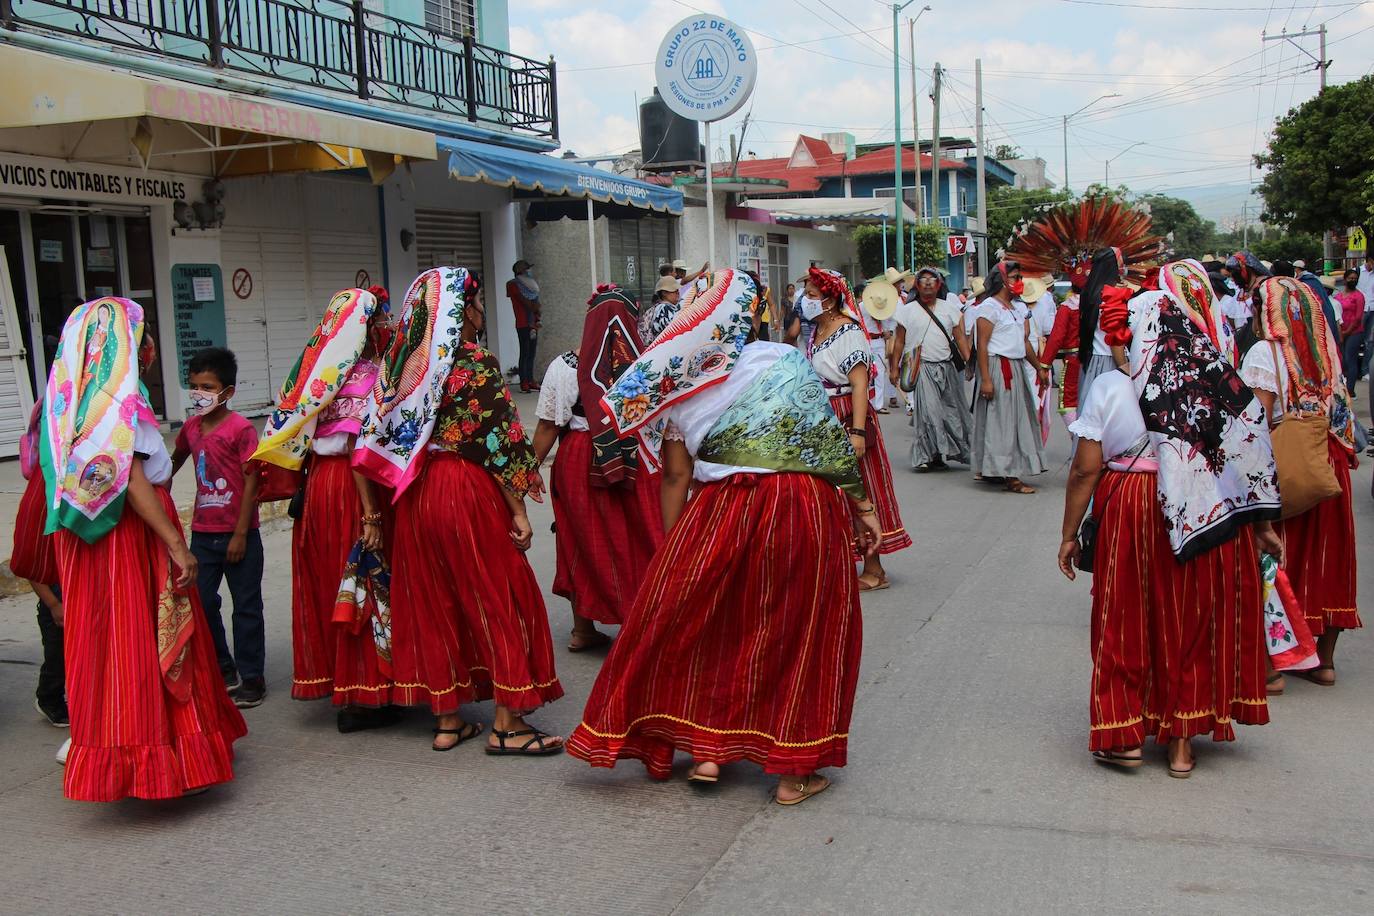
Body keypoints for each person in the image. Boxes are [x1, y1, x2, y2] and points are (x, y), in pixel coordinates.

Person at [566, 269, 880, 805]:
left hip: (721, 509)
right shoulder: (783, 361)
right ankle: (792, 772)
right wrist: (864, 508)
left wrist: (674, 549)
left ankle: (709, 750)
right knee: (798, 630)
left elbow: (674, 476)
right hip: (800, 505)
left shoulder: (681, 378)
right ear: (753, 313)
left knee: (718, 624)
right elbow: (825, 448)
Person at [1057, 262, 1282, 777]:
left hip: (1132, 503)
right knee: (1189, 619)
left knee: (1125, 619)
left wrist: (1069, 535)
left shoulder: (1112, 388)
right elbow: (1250, 455)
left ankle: (1125, 735)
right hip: (1202, 508)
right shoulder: (1213, 379)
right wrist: (1263, 525)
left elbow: (1085, 469)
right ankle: (1182, 742)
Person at [40, 297, 245, 800]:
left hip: (92, 544)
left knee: (111, 644)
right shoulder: (117, 401)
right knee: (143, 637)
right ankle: (159, 757)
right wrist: (176, 543)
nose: (149, 346)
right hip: (129, 538)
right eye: (143, 335)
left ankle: (118, 749)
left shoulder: (70, 401)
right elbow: (130, 479)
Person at [356, 267, 564, 755]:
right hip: (462, 487)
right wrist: (518, 509)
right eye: (476, 303)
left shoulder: (399, 365)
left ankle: (448, 719)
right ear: (461, 310)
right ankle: (508, 723)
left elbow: (370, 438)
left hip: (413, 494)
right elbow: (499, 441)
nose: (480, 312)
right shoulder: (474, 362)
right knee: (498, 596)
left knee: (433, 600)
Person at [253, 287, 398, 732]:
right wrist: (371, 513)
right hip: (353, 487)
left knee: (330, 579)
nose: (387, 328)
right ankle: (364, 692)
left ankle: (343, 685)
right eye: (382, 321)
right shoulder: (365, 376)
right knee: (361, 580)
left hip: (319, 486)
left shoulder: (315, 376)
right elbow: (358, 448)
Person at [1240, 275, 1361, 690]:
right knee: (1328, 555)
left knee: (1275, 555)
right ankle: (1323, 663)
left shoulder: (1264, 352)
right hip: (1329, 464)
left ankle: (1273, 665)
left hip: (1286, 464)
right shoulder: (1326, 349)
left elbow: (1256, 420)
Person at [532, 285, 665, 652]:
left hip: (579, 457)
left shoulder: (564, 366)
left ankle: (582, 628)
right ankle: (646, 625)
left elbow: (547, 426)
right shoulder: (648, 363)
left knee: (580, 538)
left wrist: (526, 472)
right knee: (638, 538)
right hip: (635, 458)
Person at [802, 267, 910, 589]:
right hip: (825, 416)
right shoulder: (818, 331)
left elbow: (859, 384)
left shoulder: (847, 332)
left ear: (830, 300)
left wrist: (858, 431)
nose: (805, 301)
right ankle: (845, 561)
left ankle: (874, 569)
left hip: (847, 415)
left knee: (859, 490)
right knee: (834, 494)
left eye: (811, 295)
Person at [171, 347, 266, 708]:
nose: (199, 394)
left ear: (227, 392)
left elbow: (252, 481)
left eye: (207, 387)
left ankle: (252, 676)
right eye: (194, 386)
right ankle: (222, 665)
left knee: (246, 606)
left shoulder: (241, 430)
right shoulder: (191, 428)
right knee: (203, 602)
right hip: (203, 533)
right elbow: (178, 456)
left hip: (239, 533)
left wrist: (241, 533)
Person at [970, 261, 1049, 493]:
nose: (1019, 282)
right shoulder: (989, 308)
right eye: (1014, 277)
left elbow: (1024, 343)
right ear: (1002, 280)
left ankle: (998, 469)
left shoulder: (1016, 308)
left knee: (1014, 421)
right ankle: (1010, 476)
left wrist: (1040, 368)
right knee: (1002, 422)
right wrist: (985, 379)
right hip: (998, 367)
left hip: (1016, 369)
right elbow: (982, 346)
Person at [10, 401, 66, 727]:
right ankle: (49, 698)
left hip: (78, 586)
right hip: (55, 594)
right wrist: (54, 604)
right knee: (57, 653)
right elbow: (28, 559)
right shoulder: (41, 492)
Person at [892, 267, 971, 470]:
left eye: (932, 280)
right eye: (923, 280)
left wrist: (970, 361)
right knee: (929, 412)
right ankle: (927, 455)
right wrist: (894, 368)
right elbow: (899, 341)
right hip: (922, 368)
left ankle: (944, 453)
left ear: (939, 285)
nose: (927, 283)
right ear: (917, 286)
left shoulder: (950, 309)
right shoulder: (906, 311)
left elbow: (960, 337)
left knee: (951, 412)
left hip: (947, 368)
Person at [507, 259, 541, 392]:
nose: (529, 271)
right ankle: (524, 381)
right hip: (523, 323)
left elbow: (537, 305)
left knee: (532, 352)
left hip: (533, 322)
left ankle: (530, 379)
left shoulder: (531, 285)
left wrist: (537, 311)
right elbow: (528, 303)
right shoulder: (513, 285)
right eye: (526, 269)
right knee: (525, 352)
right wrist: (535, 307)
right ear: (520, 271)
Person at [1334, 269, 1366, 394]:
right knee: (1341, 361)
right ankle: (1342, 387)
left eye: (1355, 278)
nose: (1353, 280)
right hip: (1341, 332)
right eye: (1350, 278)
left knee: (1349, 359)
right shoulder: (1339, 296)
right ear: (1345, 279)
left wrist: (1347, 332)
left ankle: (1350, 390)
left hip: (1354, 332)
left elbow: (1358, 318)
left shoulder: (1359, 296)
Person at [640, 275, 681, 345]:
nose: (677, 292)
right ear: (664, 293)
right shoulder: (665, 309)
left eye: (677, 290)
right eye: (674, 290)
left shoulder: (655, 308)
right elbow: (676, 331)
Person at [1358, 252, 1374, 379]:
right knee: (1355, 340)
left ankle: (1365, 371)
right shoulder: (1357, 272)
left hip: (1372, 310)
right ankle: (1353, 370)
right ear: (1369, 260)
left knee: (1370, 341)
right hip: (1359, 311)